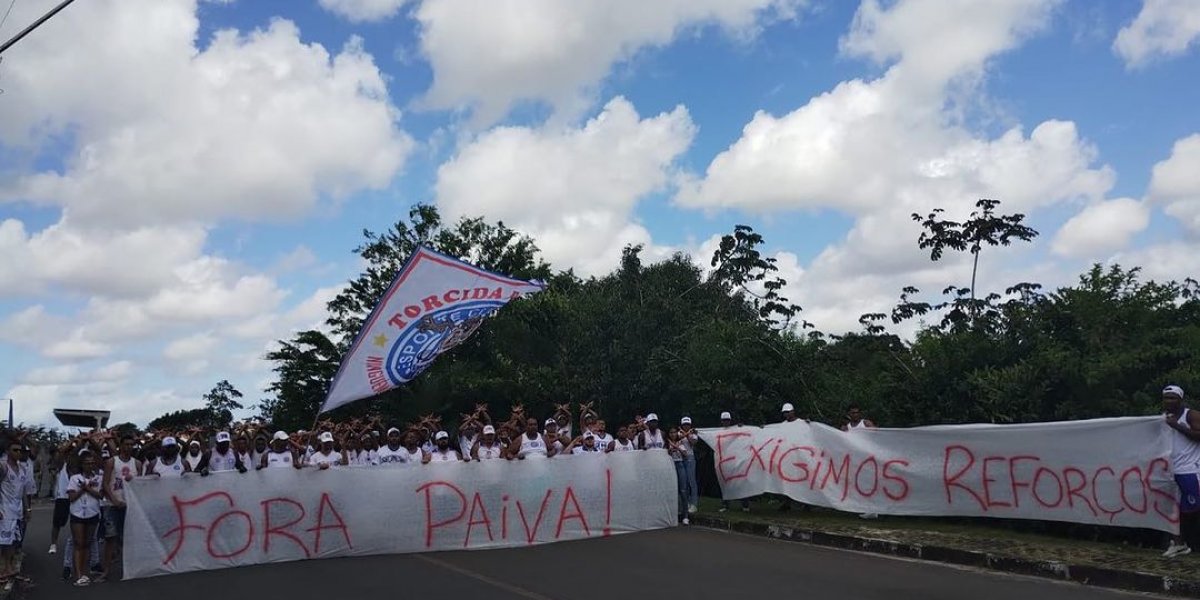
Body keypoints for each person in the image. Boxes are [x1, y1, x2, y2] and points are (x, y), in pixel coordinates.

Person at [1163, 385, 1200, 558]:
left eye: (1173, 397)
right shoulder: (1163, 418)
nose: (1169, 401)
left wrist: (1176, 426)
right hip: (1170, 471)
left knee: (1191, 508)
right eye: (1166, 397)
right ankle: (1178, 543)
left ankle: (1187, 541)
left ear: (1181, 399)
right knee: (1172, 509)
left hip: (1190, 470)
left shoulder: (1191, 415)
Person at [101, 435, 142, 579]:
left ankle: (130, 569)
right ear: (121, 446)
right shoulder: (112, 462)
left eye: (132, 444)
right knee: (110, 538)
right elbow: (105, 483)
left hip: (130, 506)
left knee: (129, 538)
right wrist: (114, 500)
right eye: (126, 444)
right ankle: (105, 571)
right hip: (112, 506)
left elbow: (140, 485)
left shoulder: (137, 463)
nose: (129, 447)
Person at [66, 451, 104, 587]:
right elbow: (71, 497)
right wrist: (83, 489)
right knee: (78, 543)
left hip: (92, 513)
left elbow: (100, 495)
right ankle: (78, 574)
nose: (90, 466)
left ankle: (84, 571)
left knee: (87, 543)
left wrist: (87, 488)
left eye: (92, 463)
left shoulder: (98, 478)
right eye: (87, 463)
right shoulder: (75, 478)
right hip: (77, 514)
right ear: (82, 465)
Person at [0, 441, 30, 579]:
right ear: (8, 451)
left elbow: (23, 491)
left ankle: (9, 566)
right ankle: (5, 566)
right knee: (4, 540)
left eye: (20, 450)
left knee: (13, 540)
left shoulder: (22, 469)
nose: (18, 453)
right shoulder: (3, 467)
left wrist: (26, 508)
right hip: (5, 508)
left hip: (17, 508)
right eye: (15, 450)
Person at [717, 411, 751, 513]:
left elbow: (746, 435)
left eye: (727, 420)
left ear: (730, 421)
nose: (726, 422)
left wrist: (742, 427)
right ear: (721, 421)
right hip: (725, 462)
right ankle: (726, 505)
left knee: (741, 482)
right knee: (725, 483)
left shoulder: (736, 430)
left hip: (736, 460)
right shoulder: (718, 432)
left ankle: (745, 505)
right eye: (724, 420)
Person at [666, 428, 688, 525]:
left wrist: (677, 447)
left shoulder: (681, 443)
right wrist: (671, 449)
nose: (673, 434)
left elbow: (685, 454)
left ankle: (685, 516)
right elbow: (666, 453)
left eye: (674, 432)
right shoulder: (666, 443)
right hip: (670, 466)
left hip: (680, 465)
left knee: (683, 490)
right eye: (671, 432)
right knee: (671, 490)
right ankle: (673, 514)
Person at [678, 417, 699, 514]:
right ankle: (685, 503)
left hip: (690, 458)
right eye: (685, 424)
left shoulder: (694, 434)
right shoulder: (678, 433)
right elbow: (677, 440)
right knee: (684, 482)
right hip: (681, 457)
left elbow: (692, 443)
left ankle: (693, 504)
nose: (686, 426)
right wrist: (685, 434)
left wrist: (688, 434)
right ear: (682, 425)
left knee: (692, 482)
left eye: (688, 424)